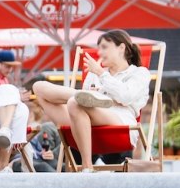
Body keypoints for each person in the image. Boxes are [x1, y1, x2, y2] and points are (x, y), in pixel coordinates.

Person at [33, 30, 152, 170]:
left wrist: (101, 74)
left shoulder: (139, 73)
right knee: (38, 88)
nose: (100, 53)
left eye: (104, 47)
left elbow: (125, 97)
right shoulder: (94, 74)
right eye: (99, 48)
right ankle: (93, 98)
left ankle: (87, 166)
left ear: (121, 48)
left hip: (119, 121)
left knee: (75, 102)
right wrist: (92, 87)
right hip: (84, 122)